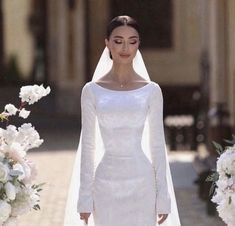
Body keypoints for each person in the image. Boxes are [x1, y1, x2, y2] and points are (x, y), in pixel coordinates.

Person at [63, 15, 181, 226]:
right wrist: (84, 198)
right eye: (118, 41)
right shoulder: (91, 91)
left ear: (138, 45)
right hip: (105, 184)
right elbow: (88, 146)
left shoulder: (152, 91)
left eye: (132, 41)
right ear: (107, 43)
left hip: (142, 183)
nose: (125, 48)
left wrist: (163, 198)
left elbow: (157, 146)